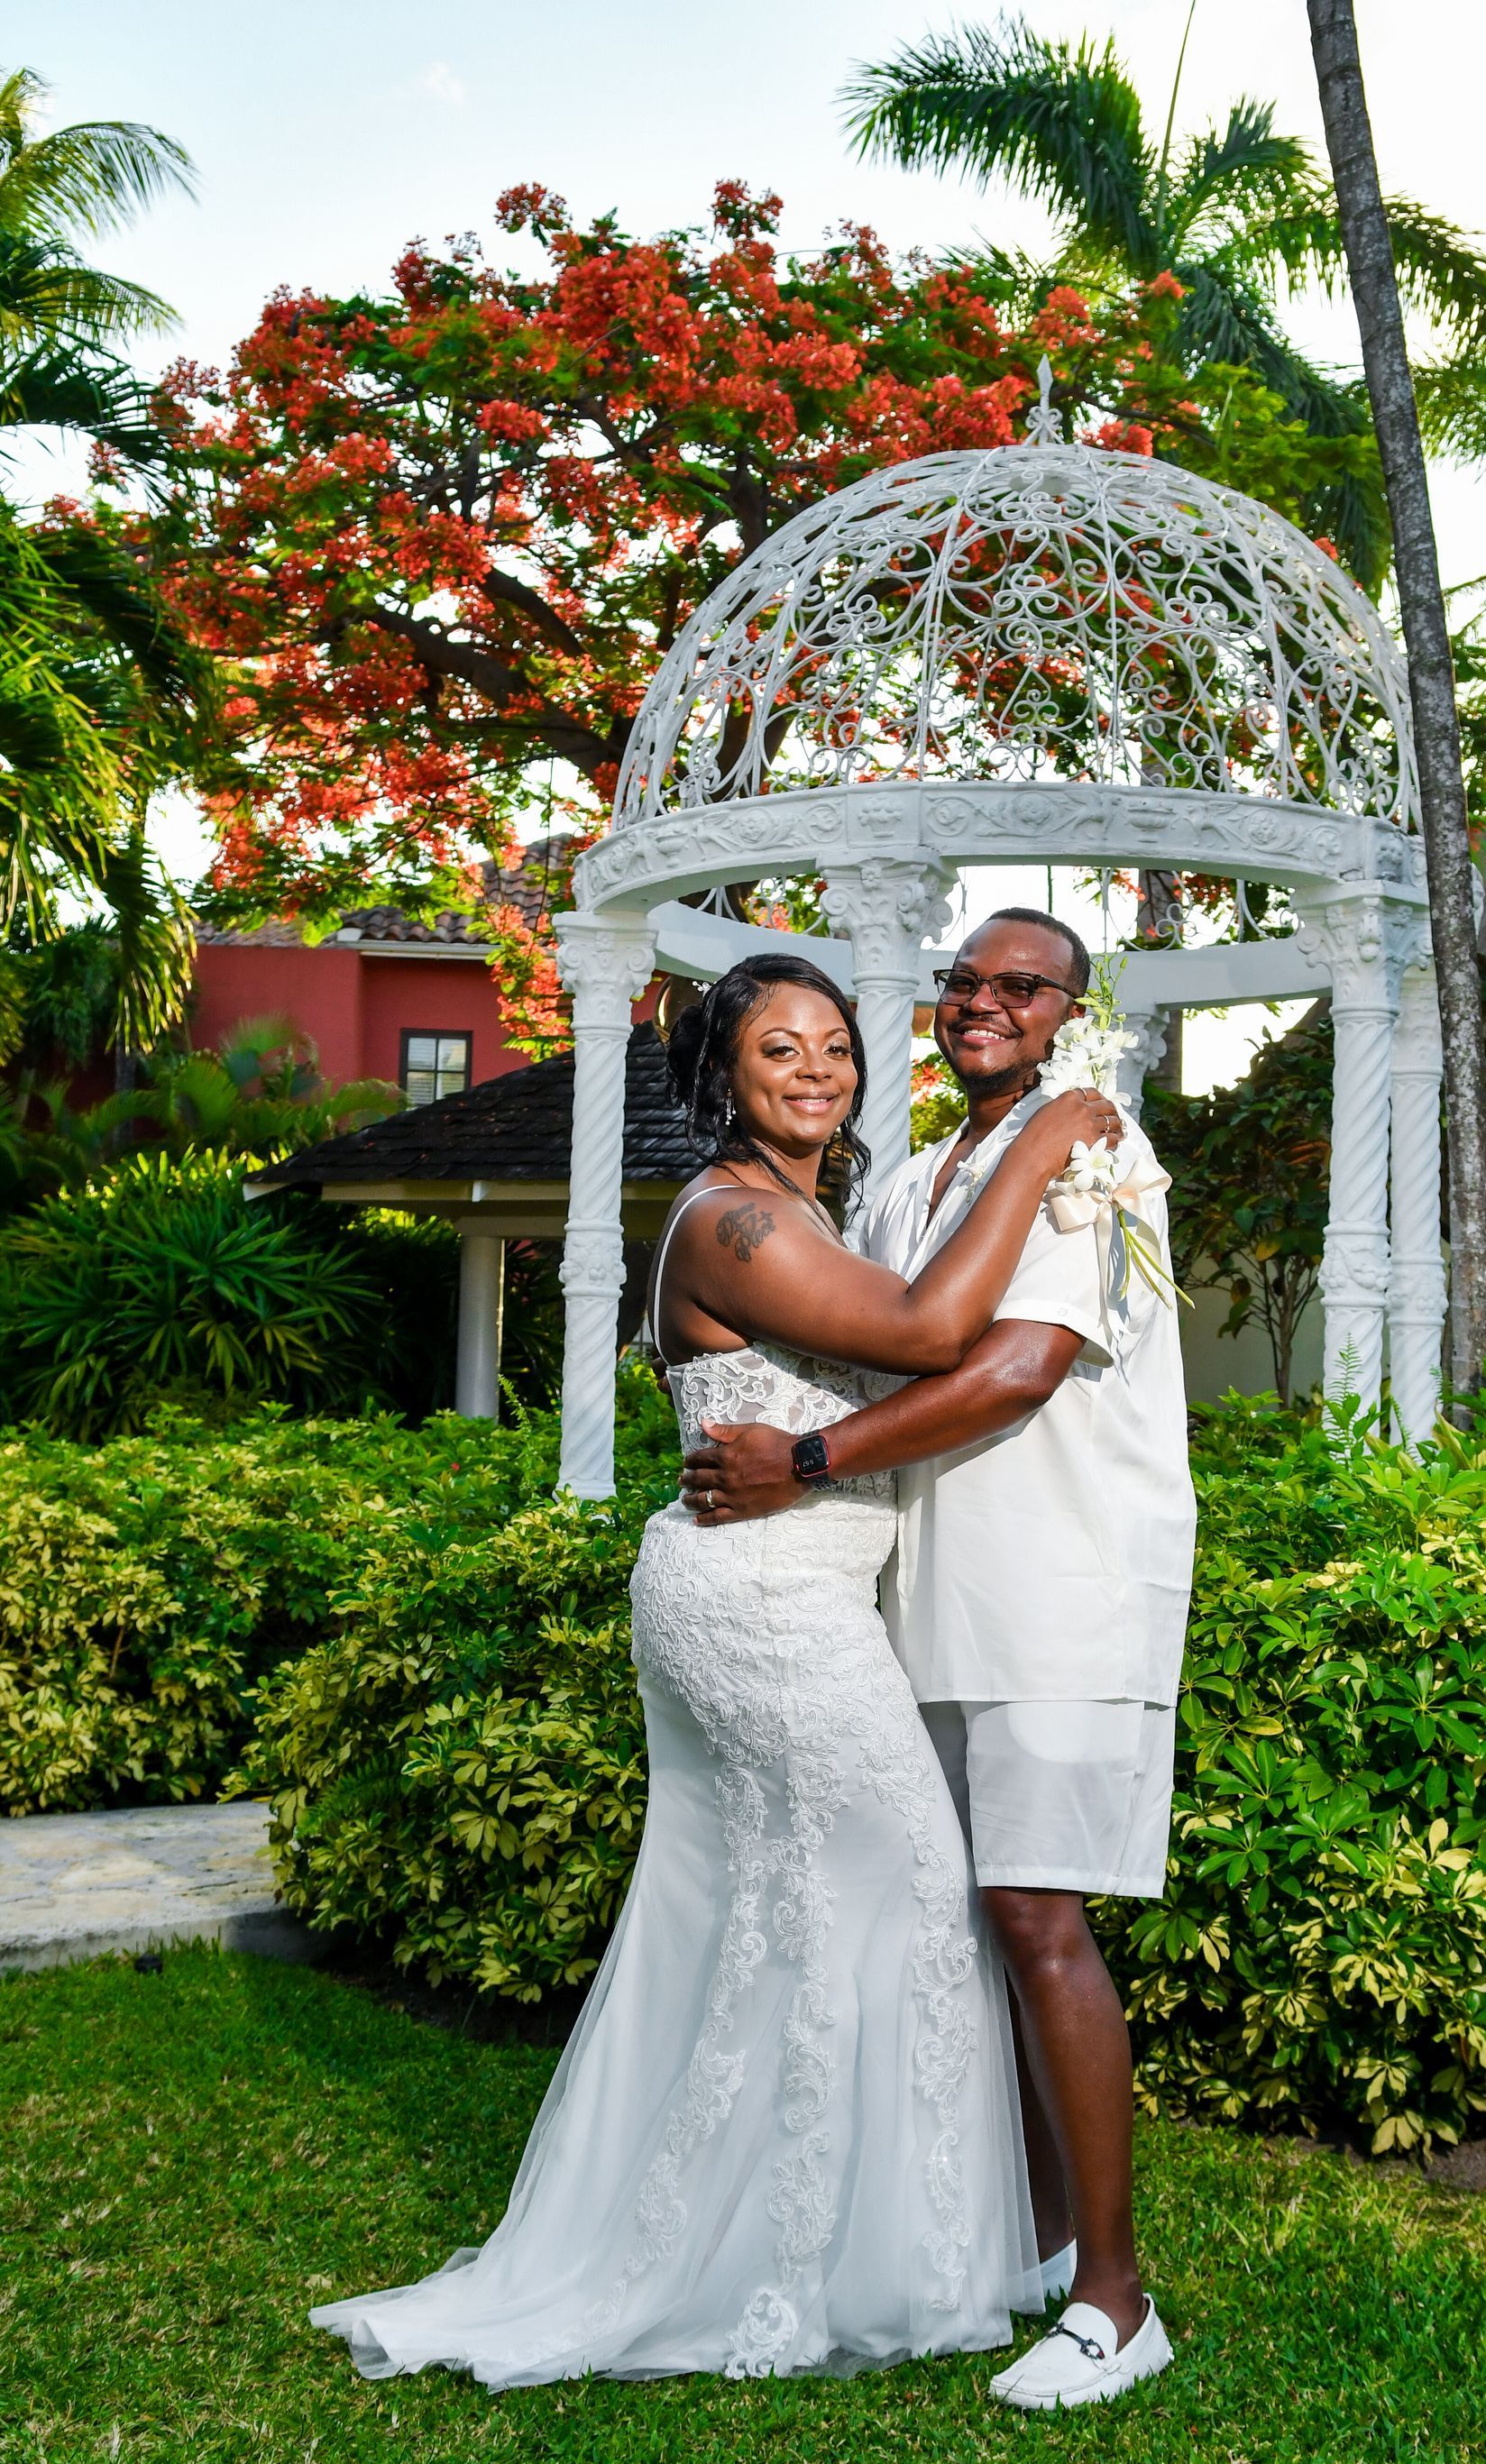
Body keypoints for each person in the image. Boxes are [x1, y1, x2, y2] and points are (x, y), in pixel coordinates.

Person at [311, 952, 1123, 2388]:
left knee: (790, 1917)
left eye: (835, 1046)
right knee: (915, 1895)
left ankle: (841, 2234)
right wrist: (1051, 1134)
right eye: (777, 1052)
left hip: (792, 1587)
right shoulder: (738, 1219)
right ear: (721, 1078)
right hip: (755, 1601)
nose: (816, 1070)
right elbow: (938, 1334)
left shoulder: (815, 1205)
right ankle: (842, 2257)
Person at [681, 908, 1196, 2411]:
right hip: (923, 1598)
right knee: (976, 1921)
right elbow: (906, 1325)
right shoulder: (911, 1179)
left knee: (1041, 1916)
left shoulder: (1100, 1157)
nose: (985, 1002)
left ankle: (1116, 2298)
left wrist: (813, 1460)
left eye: (1022, 986)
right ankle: (1039, 2247)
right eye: (964, 980)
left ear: (1068, 1016)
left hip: (1059, 1591)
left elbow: (1018, 1365)